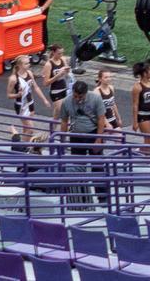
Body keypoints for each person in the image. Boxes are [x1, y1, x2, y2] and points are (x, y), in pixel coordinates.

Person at [60, 70, 113, 209]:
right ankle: (79, 198)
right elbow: (64, 121)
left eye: (80, 96)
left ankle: (102, 196)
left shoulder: (95, 98)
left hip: (93, 134)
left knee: (98, 167)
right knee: (77, 168)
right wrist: (62, 140)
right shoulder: (67, 102)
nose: (77, 99)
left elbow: (101, 119)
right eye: (75, 96)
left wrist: (98, 139)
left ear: (85, 93)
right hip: (76, 136)